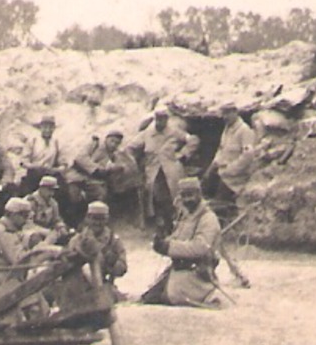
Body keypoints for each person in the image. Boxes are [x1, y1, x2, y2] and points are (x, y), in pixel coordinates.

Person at [141, 178, 226, 307]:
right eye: (184, 196)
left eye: (190, 195)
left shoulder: (208, 219)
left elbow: (200, 247)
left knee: (168, 298)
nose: (187, 200)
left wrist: (169, 247)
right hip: (178, 271)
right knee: (148, 298)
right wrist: (161, 242)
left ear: (199, 194)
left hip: (197, 275)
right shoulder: (187, 217)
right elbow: (176, 238)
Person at [131, 107, 195, 232]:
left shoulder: (175, 131)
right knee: (156, 198)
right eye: (158, 120)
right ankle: (163, 225)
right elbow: (131, 147)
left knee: (175, 198)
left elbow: (193, 140)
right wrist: (133, 163)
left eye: (163, 119)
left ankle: (175, 225)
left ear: (167, 120)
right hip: (153, 172)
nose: (160, 123)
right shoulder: (147, 133)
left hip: (171, 170)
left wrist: (183, 154)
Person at [69, 128, 141, 222]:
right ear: (106, 139)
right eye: (112, 141)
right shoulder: (94, 144)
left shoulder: (113, 156)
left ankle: (90, 222)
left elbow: (117, 167)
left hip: (92, 180)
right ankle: (72, 222)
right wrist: (96, 169)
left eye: (117, 143)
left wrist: (112, 169)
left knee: (101, 194)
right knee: (73, 196)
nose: (113, 145)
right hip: (77, 175)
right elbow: (80, 158)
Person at [204, 102, 258, 213]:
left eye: (228, 113)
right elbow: (221, 149)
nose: (225, 117)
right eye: (223, 114)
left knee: (219, 204)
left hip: (235, 178)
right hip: (223, 173)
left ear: (235, 112)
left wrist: (231, 170)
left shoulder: (244, 131)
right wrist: (212, 166)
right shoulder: (227, 130)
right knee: (204, 190)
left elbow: (248, 156)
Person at [69, 200, 129, 294]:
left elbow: (122, 268)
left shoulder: (113, 240)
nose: (97, 223)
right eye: (94, 218)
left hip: (103, 284)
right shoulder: (77, 239)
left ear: (107, 220)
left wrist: (111, 260)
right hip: (78, 286)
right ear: (87, 219)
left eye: (101, 219)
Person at [19, 115, 68, 196]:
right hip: (35, 173)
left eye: (50, 128)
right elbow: (23, 161)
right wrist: (34, 166)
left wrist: (56, 169)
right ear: (41, 128)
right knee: (26, 192)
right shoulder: (33, 141)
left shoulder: (56, 143)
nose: (47, 130)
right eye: (45, 127)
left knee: (64, 192)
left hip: (50, 174)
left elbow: (63, 163)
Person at [26, 174, 70, 243]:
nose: (51, 193)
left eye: (53, 191)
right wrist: (47, 232)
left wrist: (61, 227)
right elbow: (28, 224)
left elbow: (56, 220)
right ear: (41, 188)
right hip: (31, 233)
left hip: (48, 232)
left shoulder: (53, 203)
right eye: (49, 190)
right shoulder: (31, 202)